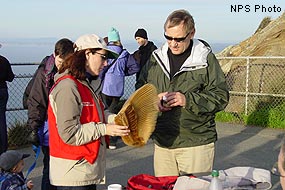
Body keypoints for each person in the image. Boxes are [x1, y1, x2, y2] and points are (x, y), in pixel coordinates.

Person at [135, 9, 229, 177]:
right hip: (163, 143)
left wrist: (187, 100)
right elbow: (140, 90)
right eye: (168, 37)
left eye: (179, 39)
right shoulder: (155, 58)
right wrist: (152, 101)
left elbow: (221, 96)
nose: (173, 43)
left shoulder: (205, 59)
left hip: (196, 143)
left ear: (191, 33)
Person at [48, 34, 130, 189]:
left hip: (84, 168)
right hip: (73, 172)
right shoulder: (68, 87)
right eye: (103, 57)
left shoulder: (87, 84)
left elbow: (99, 112)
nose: (106, 63)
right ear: (87, 54)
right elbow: (69, 133)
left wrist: (117, 120)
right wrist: (105, 129)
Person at [26, 38, 74, 190]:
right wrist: (34, 128)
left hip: (59, 125)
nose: (62, 64)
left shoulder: (65, 70)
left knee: (57, 166)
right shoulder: (44, 73)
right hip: (48, 126)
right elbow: (36, 102)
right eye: (60, 59)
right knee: (50, 167)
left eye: (66, 61)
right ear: (55, 54)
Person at [101, 27, 140, 149]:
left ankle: (105, 137)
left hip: (106, 87)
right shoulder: (124, 53)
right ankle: (113, 140)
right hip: (118, 89)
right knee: (114, 113)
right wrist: (123, 73)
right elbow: (135, 67)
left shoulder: (106, 52)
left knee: (103, 112)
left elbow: (101, 69)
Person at [0, 49, 15, 155]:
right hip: (2, 90)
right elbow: (10, 77)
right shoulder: (4, 61)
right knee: (1, 120)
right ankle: (3, 148)